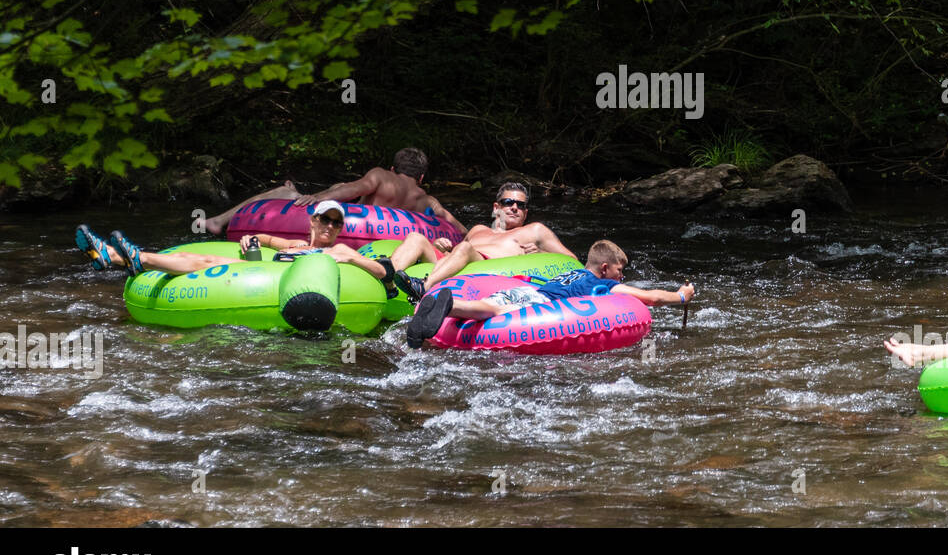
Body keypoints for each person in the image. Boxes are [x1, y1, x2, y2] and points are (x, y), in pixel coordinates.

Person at [405, 239, 696, 347]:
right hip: (540, 303)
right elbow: (650, 298)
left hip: (528, 290)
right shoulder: (602, 285)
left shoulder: (569, 273)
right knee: (493, 312)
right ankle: (448, 305)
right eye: (620, 271)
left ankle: (447, 306)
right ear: (605, 269)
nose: (622, 276)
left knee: (488, 305)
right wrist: (681, 296)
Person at [76, 201, 398, 290]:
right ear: (312, 221)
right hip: (268, 269)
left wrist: (351, 260)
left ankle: (132, 257)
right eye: (324, 220)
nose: (329, 226)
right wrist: (252, 238)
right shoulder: (298, 243)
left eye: (335, 223)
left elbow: (384, 273)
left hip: (282, 284)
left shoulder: (339, 251)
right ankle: (114, 256)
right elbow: (273, 241)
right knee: (195, 255)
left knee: (202, 263)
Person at [202, 147, 464, 235]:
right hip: (383, 236)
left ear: (393, 167)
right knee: (336, 187)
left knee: (284, 193)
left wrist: (317, 198)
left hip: (349, 227)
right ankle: (294, 191)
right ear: (421, 176)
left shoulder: (381, 176)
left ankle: (217, 222)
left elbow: (352, 190)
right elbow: (457, 227)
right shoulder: (427, 200)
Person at [387, 182, 575, 293]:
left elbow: (572, 262)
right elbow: (455, 255)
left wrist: (541, 253)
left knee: (466, 248)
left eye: (520, 205)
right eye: (508, 202)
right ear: (496, 207)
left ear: (525, 213)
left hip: (486, 269)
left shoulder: (535, 230)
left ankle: (424, 287)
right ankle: (385, 279)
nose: (514, 207)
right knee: (415, 237)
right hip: (458, 262)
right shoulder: (478, 229)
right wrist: (439, 246)